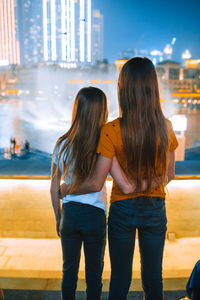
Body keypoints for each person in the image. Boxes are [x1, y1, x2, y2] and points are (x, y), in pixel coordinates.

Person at [60, 57, 179, 300]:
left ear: (123, 89)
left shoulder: (111, 130)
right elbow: (169, 174)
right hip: (155, 207)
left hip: (122, 210)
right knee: (154, 278)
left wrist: (65, 189)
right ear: (152, 88)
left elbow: (96, 182)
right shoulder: (165, 127)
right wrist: (145, 186)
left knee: (120, 278)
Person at [50, 87, 134, 300]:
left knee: (68, 270)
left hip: (69, 214)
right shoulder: (104, 144)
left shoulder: (62, 143)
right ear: (102, 111)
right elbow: (113, 180)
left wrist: (58, 217)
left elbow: (53, 185)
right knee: (94, 274)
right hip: (95, 216)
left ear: (77, 110)